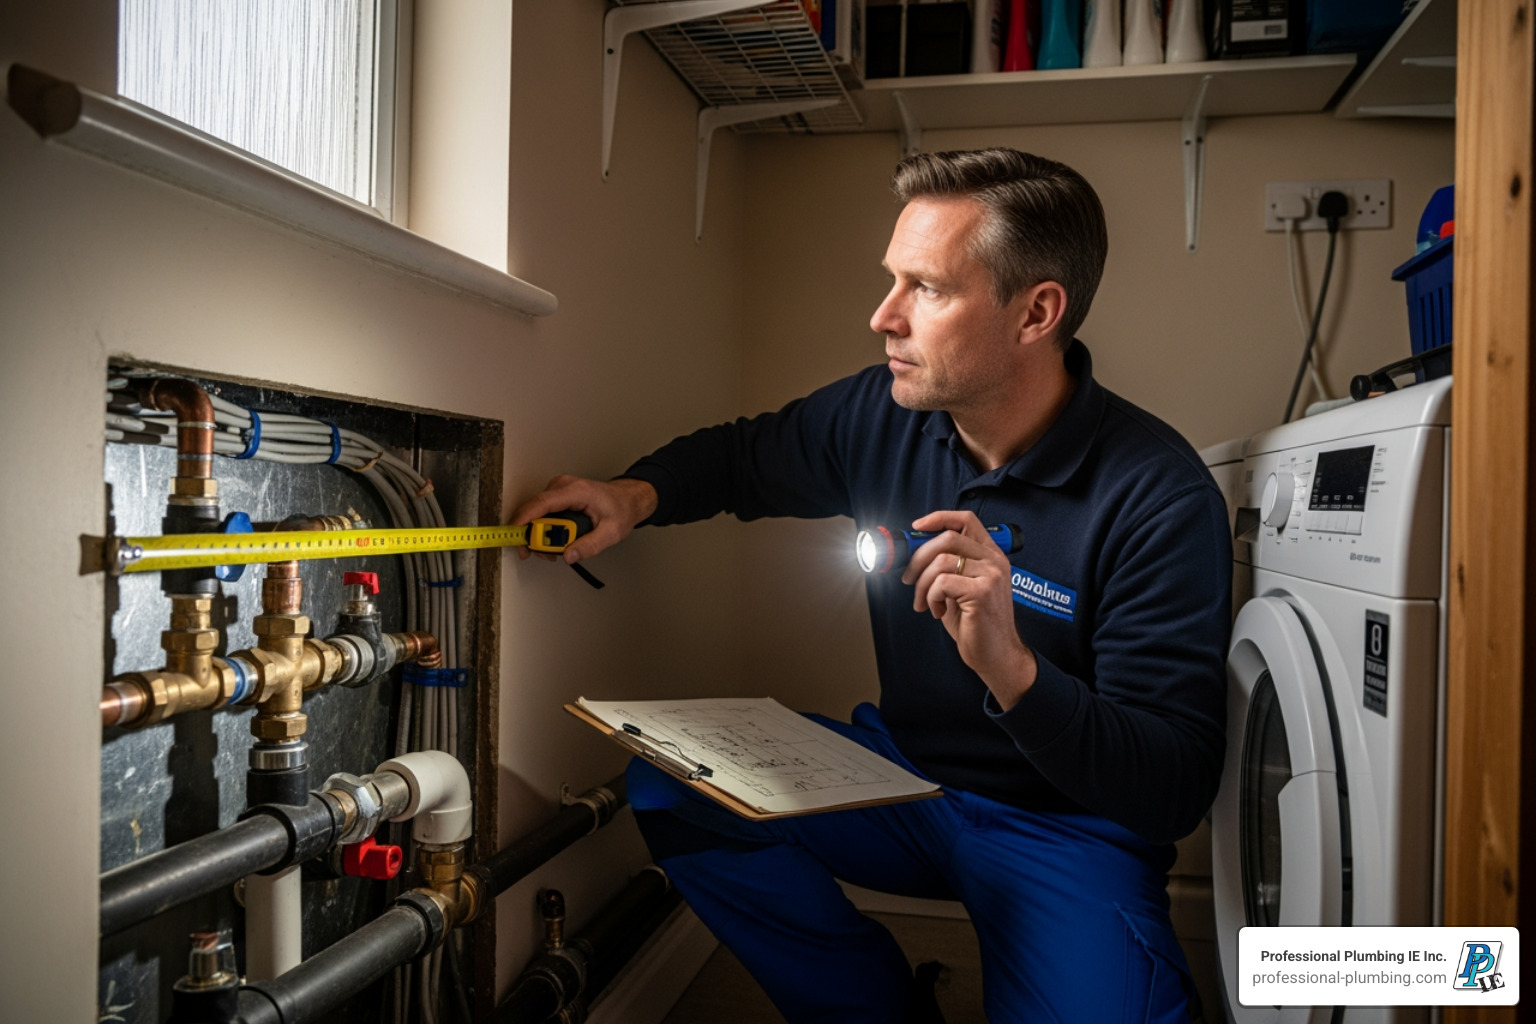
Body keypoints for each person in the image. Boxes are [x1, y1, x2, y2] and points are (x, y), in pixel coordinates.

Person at [510, 148, 1231, 1023]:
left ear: (1037, 311)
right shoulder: (881, 412)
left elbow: (1173, 788)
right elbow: (746, 457)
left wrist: (1013, 669)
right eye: (893, 280)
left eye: (926, 288)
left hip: (1069, 828)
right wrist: (634, 495)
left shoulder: (1157, 495)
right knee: (671, 783)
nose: (883, 316)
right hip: (904, 781)